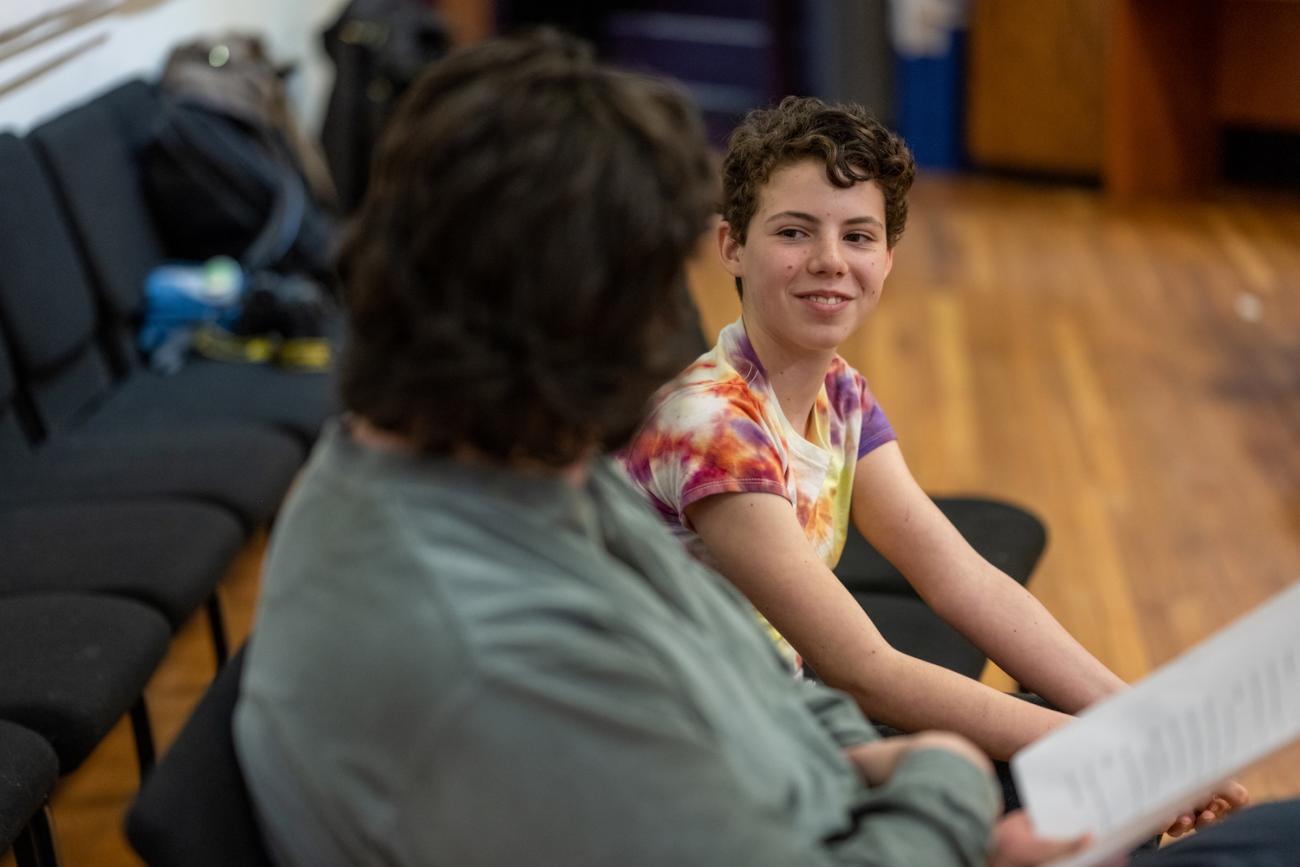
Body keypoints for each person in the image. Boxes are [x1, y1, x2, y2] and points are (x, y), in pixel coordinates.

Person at [233, 31, 1300, 867]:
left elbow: (773, 684)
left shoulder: (468, 471)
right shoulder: (508, 654)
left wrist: (1088, 734)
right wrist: (940, 774)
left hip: (827, 776)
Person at [617, 96, 1246, 835]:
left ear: (886, 258)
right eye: (794, 231)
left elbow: (962, 576)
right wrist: (1116, 750)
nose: (830, 260)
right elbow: (863, 669)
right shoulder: (715, 427)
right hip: (698, 756)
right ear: (731, 245)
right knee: (1067, 786)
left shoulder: (839, 394)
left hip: (774, 707)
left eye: (858, 235)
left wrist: (1145, 725)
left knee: (1070, 765)